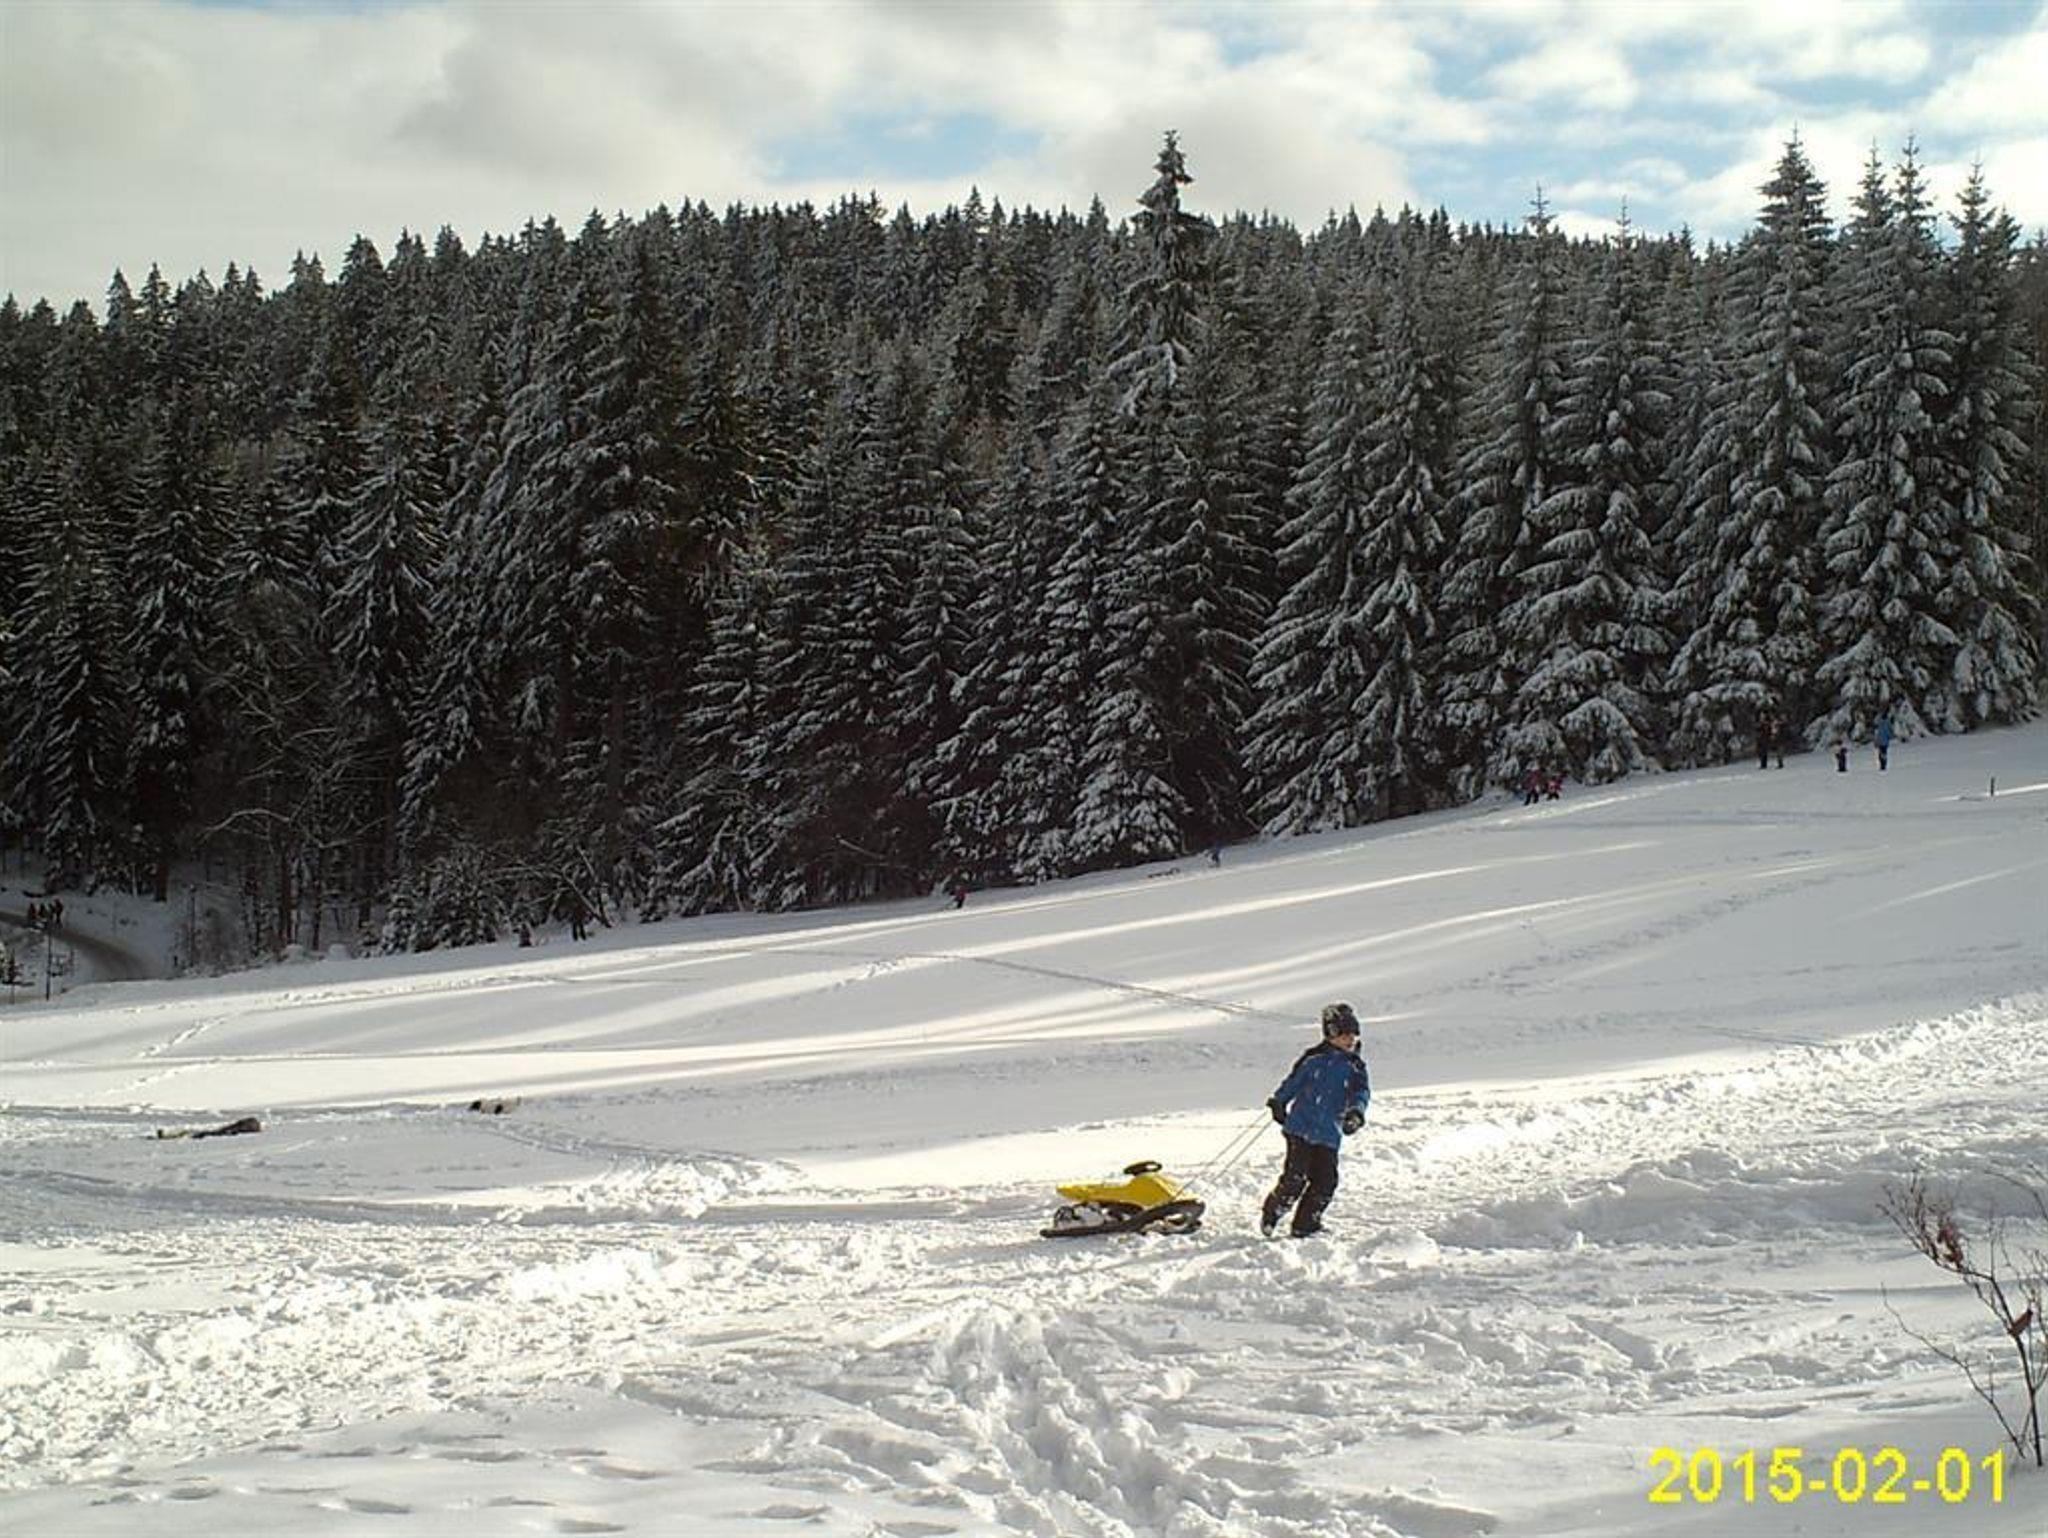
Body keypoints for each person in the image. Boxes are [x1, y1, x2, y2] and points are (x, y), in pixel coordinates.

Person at [1260, 1002, 1372, 1239]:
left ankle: (1306, 1223)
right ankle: (1273, 1209)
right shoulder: (1313, 1059)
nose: (1350, 1039)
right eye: (1344, 1034)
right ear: (1331, 1034)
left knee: (1325, 1182)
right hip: (1300, 1128)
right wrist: (1279, 1101)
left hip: (1329, 1133)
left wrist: (1356, 1113)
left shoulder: (1355, 1067)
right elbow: (1294, 1082)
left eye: (1354, 1034)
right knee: (1295, 1179)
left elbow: (1361, 1093)